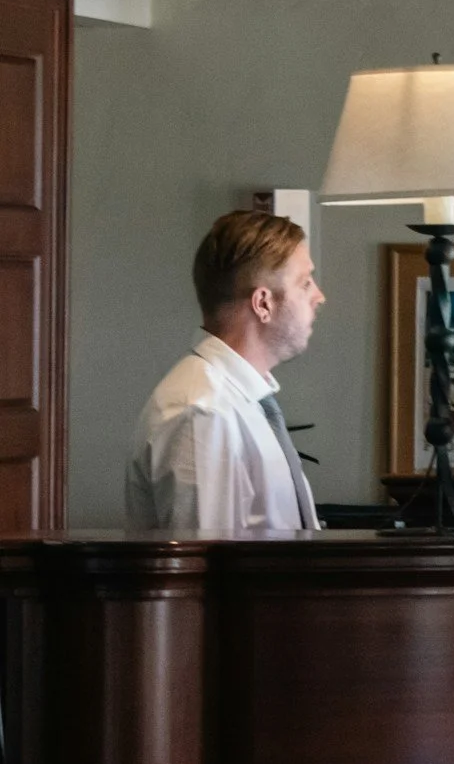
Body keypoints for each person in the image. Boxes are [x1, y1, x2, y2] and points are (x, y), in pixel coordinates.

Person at [126, 210, 327, 531]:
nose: (319, 296)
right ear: (263, 303)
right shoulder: (203, 413)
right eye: (305, 282)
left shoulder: (241, 403)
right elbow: (210, 569)